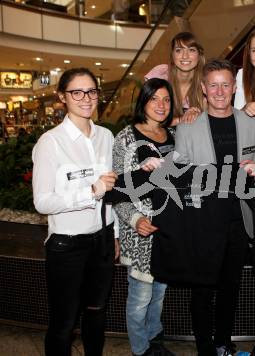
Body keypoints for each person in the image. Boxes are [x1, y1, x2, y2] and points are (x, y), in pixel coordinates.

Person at [174, 58, 255, 356]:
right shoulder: (187, 129)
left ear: (234, 87)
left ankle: (223, 342)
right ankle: (204, 348)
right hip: (203, 220)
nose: (220, 91)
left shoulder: (251, 125)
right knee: (202, 290)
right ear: (203, 88)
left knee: (230, 287)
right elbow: (179, 177)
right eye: (213, 85)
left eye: (226, 84)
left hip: (238, 219)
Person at [32, 67, 119, 356]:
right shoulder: (51, 142)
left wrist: (114, 234)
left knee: (96, 312)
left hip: (102, 240)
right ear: (62, 97)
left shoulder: (106, 136)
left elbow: (111, 190)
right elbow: (42, 202)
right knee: (64, 323)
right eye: (77, 92)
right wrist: (90, 191)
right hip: (67, 245)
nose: (86, 98)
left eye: (91, 91)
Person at [112, 78, 176, 356]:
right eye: (154, 99)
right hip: (140, 232)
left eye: (166, 99)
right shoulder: (126, 137)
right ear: (143, 102)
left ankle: (154, 340)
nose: (161, 105)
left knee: (159, 294)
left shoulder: (173, 136)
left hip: (167, 230)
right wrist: (135, 219)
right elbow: (117, 190)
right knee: (140, 297)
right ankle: (141, 349)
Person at [145, 31, 206, 126]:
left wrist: (198, 115)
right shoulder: (160, 74)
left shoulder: (205, 84)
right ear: (172, 55)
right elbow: (146, 120)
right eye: (179, 50)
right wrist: (182, 119)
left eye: (191, 50)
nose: (185, 56)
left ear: (199, 55)